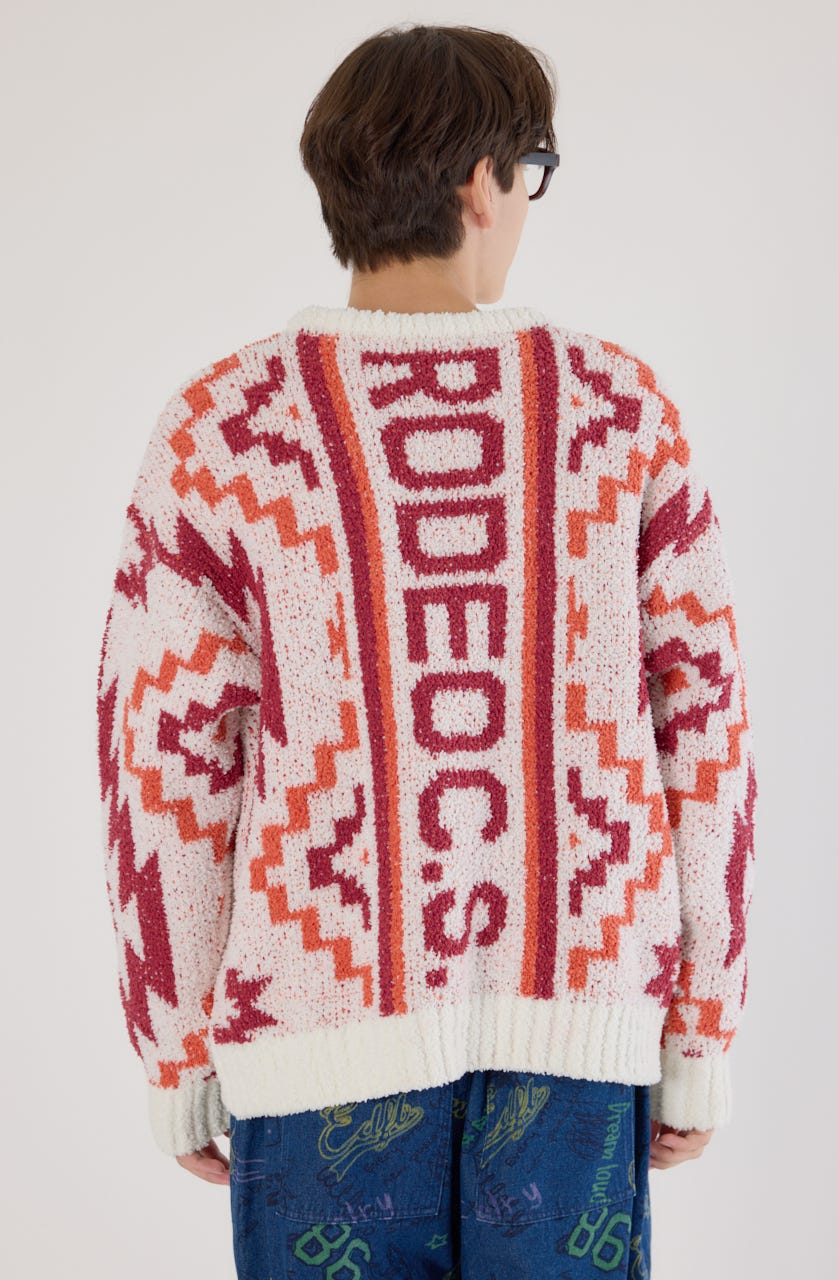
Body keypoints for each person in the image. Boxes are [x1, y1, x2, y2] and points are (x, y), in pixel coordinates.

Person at [95, 21, 757, 1279]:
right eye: (531, 170)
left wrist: (173, 1041)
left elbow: (162, 757)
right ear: (480, 181)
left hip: (314, 1049)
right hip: (577, 1044)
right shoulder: (620, 412)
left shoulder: (218, 431)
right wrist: (700, 1026)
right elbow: (706, 725)